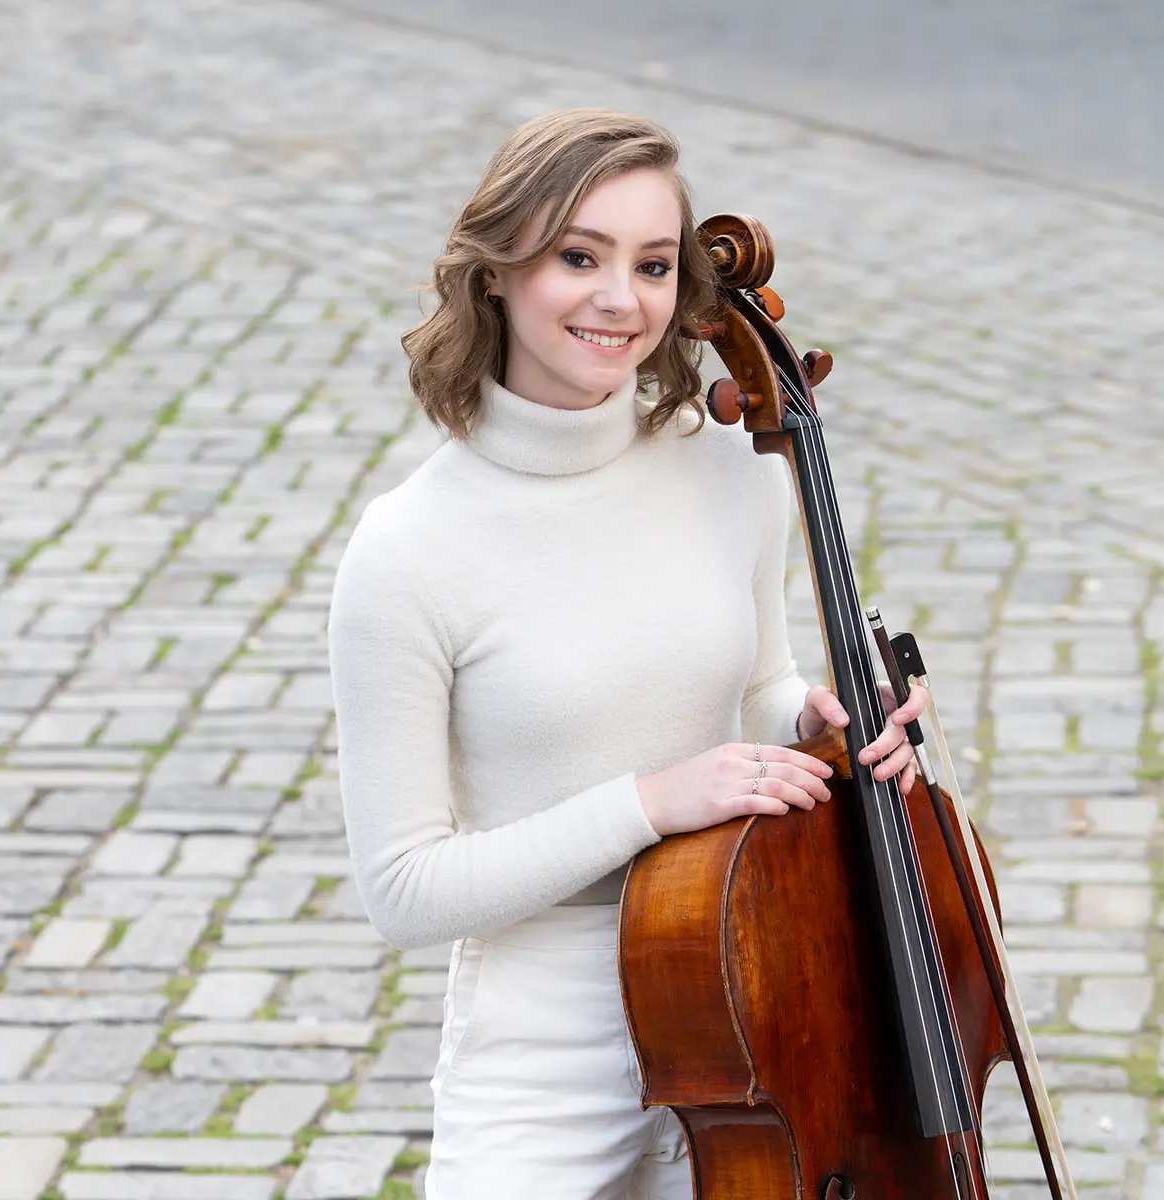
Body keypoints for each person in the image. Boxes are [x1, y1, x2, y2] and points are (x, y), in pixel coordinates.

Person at [326, 108, 925, 1199]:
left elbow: (757, 686)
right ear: (497, 270)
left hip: (761, 993)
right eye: (576, 255)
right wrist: (650, 801)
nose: (619, 298)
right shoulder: (407, 551)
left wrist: (824, 722)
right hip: (540, 1051)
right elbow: (402, 890)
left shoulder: (730, 468)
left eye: (652, 264)